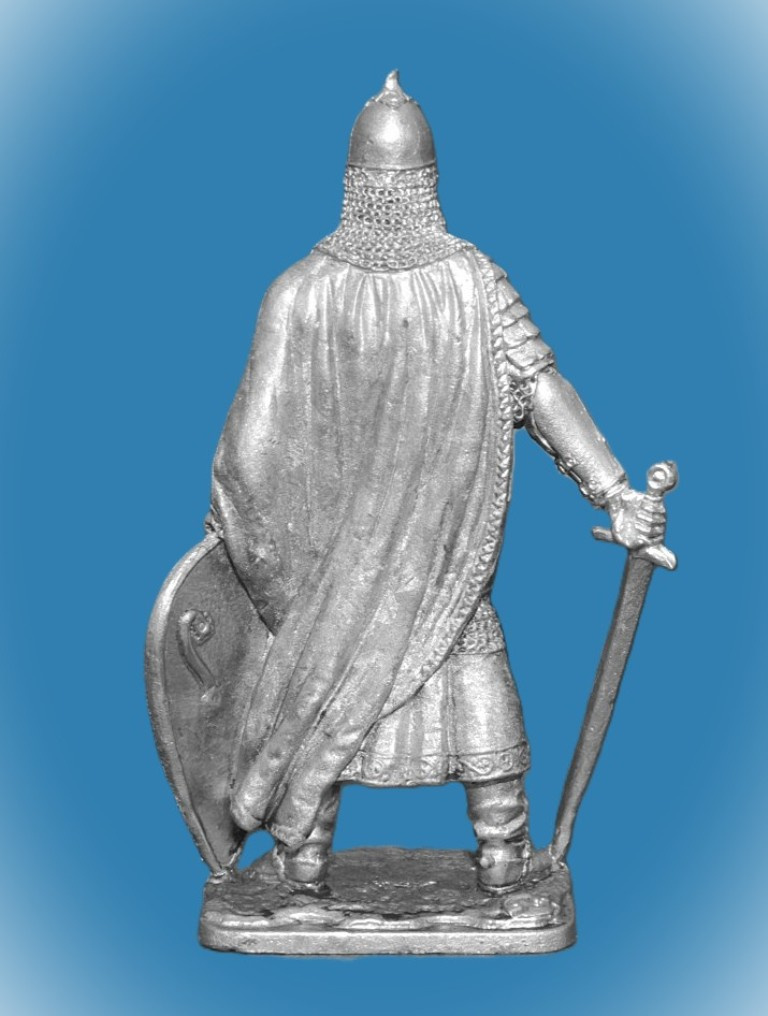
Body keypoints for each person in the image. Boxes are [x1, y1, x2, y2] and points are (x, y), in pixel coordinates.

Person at [209, 71, 665, 895]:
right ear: (428, 182)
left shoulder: (297, 291)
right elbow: (540, 387)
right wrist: (615, 492)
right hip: (435, 570)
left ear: (353, 180)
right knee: (466, 671)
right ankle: (501, 858)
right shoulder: (473, 281)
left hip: (342, 585)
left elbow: (245, 460)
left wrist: (257, 562)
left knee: (322, 694)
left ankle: (310, 866)